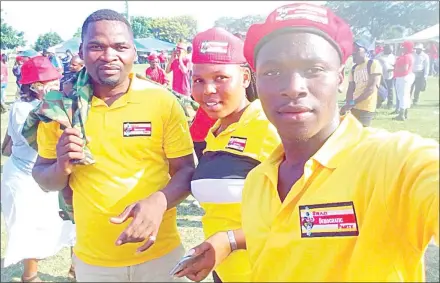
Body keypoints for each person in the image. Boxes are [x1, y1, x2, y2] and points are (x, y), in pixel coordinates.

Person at [176, 3, 439, 282]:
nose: (293, 86)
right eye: (273, 72)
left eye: (313, 69)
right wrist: (229, 240)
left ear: (339, 78)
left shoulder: (394, 163)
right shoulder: (259, 182)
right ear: (258, 82)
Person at [27, 9, 195, 282]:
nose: (109, 56)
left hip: (161, 255)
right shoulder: (60, 107)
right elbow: (44, 180)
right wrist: (61, 166)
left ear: (134, 52)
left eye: (120, 46)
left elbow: (186, 170)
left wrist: (159, 201)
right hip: (94, 264)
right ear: (81, 51)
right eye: (96, 46)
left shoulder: (161, 101)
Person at [176, 27, 280, 283]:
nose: (208, 89)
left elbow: (299, 214)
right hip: (225, 272)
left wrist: (230, 241)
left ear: (245, 77)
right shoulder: (216, 131)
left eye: (220, 77)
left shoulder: (270, 128)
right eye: (198, 80)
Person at [1, 56, 76, 283]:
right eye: (50, 83)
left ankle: (76, 271)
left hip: (48, 174)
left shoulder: (44, 105)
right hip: (25, 179)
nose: (56, 86)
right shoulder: (25, 110)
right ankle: (30, 277)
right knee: (30, 228)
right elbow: (44, 144)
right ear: (35, 87)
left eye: (56, 80)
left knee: (70, 224)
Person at [342, 39, 382, 127]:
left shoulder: (373, 64)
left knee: (362, 133)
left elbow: (371, 88)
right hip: (354, 107)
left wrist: (353, 102)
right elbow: (351, 87)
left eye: (357, 50)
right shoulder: (354, 68)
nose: (354, 53)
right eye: (353, 50)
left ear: (365, 50)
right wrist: (349, 103)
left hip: (366, 107)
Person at [393, 41, 415, 121]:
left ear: (406, 47)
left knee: (402, 96)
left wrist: (394, 69)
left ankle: (401, 114)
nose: (401, 48)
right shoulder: (407, 55)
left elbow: (405, 68)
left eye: (403, 46)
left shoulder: (406, 57)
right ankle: (405, 113)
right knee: (405, 95)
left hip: (403, 77)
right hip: (404, 77)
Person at [377, 45, 396, 109]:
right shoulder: (379, 55)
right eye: (389, 50)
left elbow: (394, 65)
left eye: (391, 51)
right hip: (380, 76)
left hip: (389, 76)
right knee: (380, 91)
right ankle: (378, 103)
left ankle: (390, 104)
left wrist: (391, 69)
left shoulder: (392, 56)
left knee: (390, 90)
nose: (390, 52)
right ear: (385, 49)